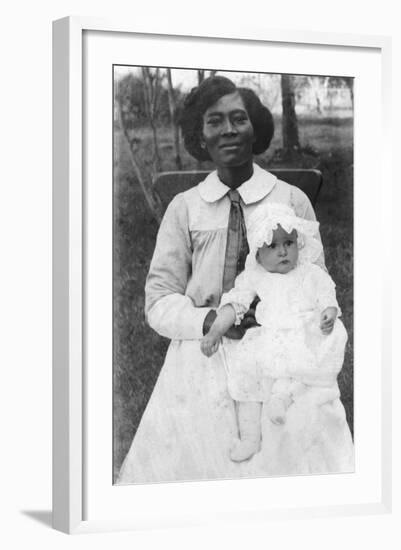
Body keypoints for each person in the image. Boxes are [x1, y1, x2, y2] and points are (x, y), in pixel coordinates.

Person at [117, 75, 354, 484]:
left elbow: (316, 282)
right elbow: (158, 301)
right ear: (200, 135)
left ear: (254, 128)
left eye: (238, 118)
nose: (228, 129)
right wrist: (209, 321)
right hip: (203, 352)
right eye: (214, 121)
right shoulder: (185, 208)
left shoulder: (291, 200)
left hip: (283, 353)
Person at [200, 202, 349, 463]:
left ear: (298, 243)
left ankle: (284, 395)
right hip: (270, 335)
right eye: (272, 245)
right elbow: (234, 304)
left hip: (303, 332)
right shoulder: (255, 277)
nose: (283, 251)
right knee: (246, 371)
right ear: (258, 254)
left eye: (289, 243)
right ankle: (250, 436)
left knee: (302, 363)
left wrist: (329, 311)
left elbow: (326, 292)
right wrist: (214, 331)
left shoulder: (308, 272)